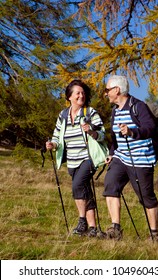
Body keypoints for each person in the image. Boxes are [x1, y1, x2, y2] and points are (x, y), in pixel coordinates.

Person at [46, 79, 107, 237]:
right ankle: (93, 229)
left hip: (88, 158)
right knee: (85, 190)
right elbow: (57, 136)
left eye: (83, 93)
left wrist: (91, 131)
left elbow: (102, 134)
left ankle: (82, 222)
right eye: (78, 93)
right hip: (72, 160)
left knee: (77, 186)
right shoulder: (63, 115)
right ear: (69, 97)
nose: (81, 95)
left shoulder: (90, 112)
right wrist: (52, 144)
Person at [103, 75, 158, 241]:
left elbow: (151, 128)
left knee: (146, 197)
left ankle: (154, 235)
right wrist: (112, 153)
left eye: (107, 90)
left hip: (141, 158)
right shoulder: (115, 111)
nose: (106, 94)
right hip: (122, 157)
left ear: (117, 90)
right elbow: (115, 137)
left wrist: (132, 132)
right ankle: (115, 229)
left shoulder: (138, 107)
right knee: (110, 185)